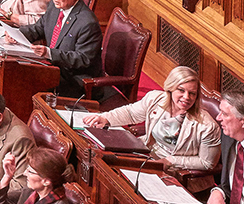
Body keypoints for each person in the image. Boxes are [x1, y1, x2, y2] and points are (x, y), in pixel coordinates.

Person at [83, 66, 221, 190]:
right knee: (106, 168)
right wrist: (106, 118)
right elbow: (131, 113)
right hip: (147, 155)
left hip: (178, 172)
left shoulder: (207, 126)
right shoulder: (155, 99)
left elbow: (207, 163)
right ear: (171, 87)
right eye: (181, 90)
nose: (186, 97)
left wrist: (171, 161)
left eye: (192, 93)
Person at [17, 0, 102, 94]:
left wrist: (50, 53)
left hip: (74, 80)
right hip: (53, 69)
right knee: (17, 71)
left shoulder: (88, 23)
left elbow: (83, 59)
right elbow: (39, 28)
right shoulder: (54, 6)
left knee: (25, 80)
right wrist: (17, 33)